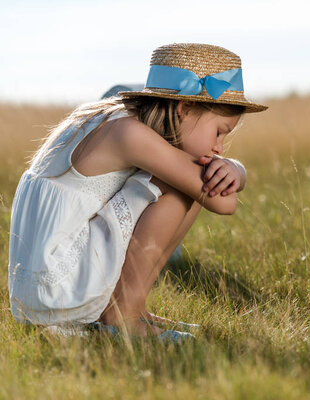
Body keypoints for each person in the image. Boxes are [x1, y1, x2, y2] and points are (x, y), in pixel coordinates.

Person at [8, 43, 267, 341]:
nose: (219, 148)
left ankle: (133, 308)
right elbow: (224, 202)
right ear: (185, 109)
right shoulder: (128, 135)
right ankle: (123, 315)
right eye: (219, 131)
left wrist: (235, 168)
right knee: (186, 188)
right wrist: (236, 172)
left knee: (191, 181)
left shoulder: (111, 117)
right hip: (59, 284)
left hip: (39, 285)